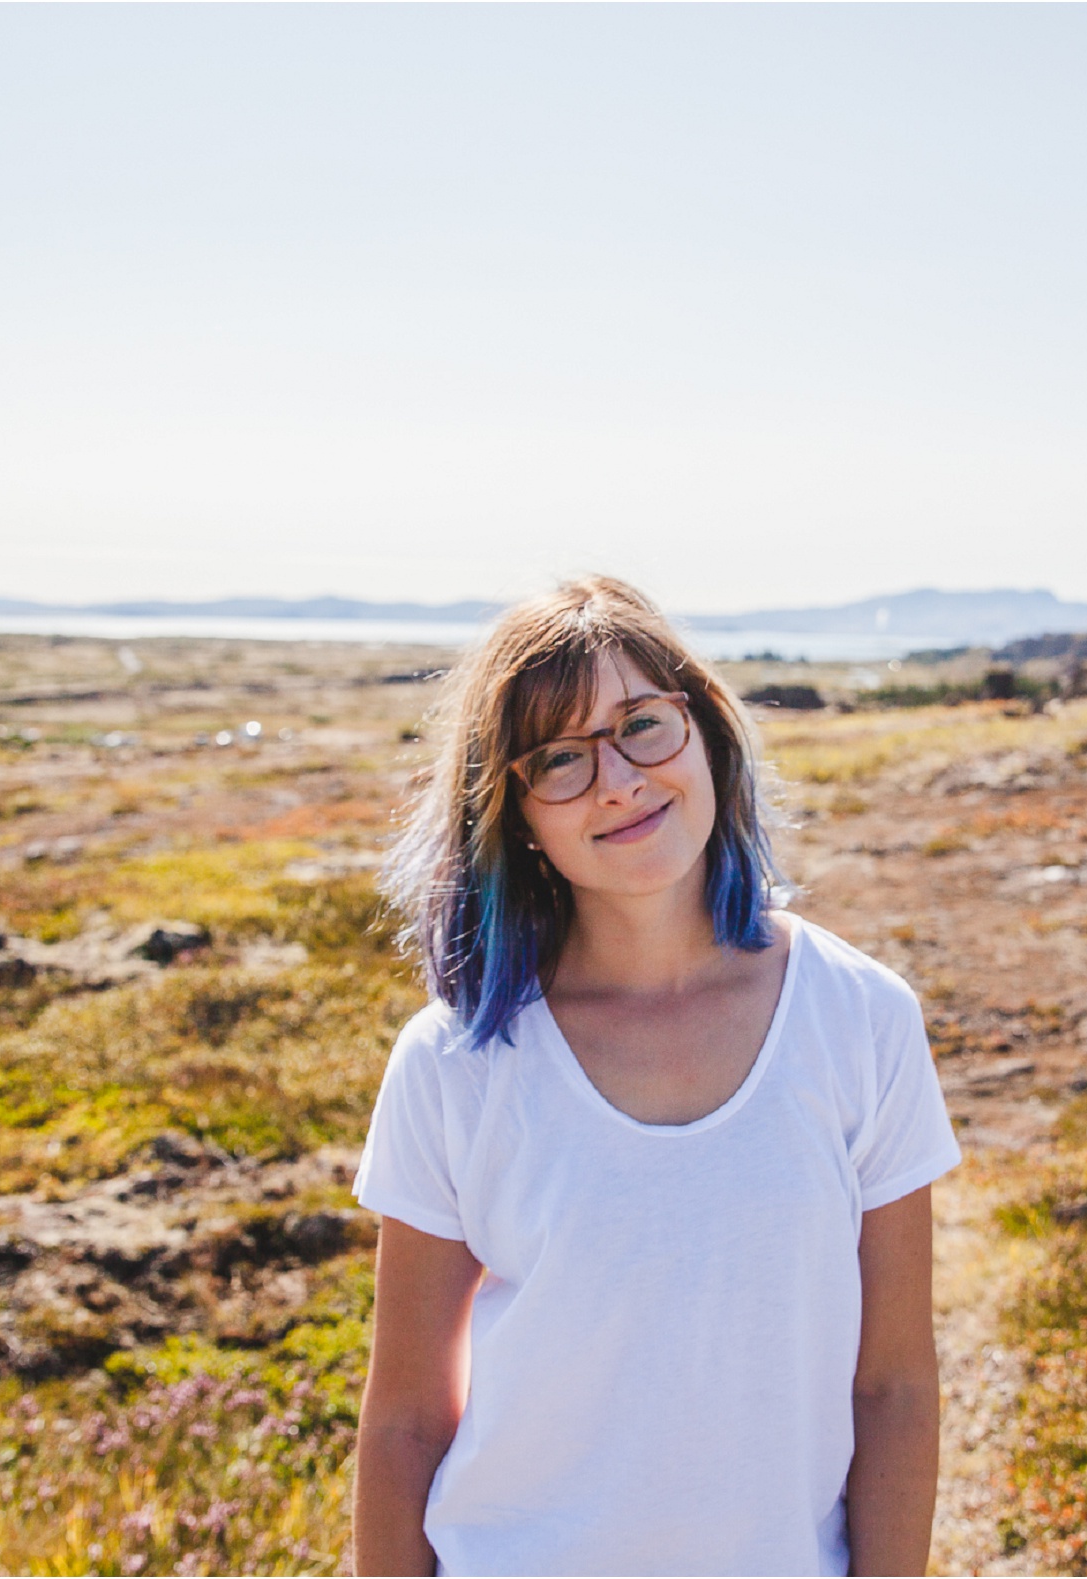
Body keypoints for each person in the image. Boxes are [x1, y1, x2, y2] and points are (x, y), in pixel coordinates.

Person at [351, 576, 961, 1578]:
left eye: (642, 724)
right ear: (514, 812)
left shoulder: (860, 1019)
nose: (618, 779)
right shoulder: (456, 1062)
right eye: (559, 757)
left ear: (706, 729)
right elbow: (408, 1419)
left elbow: (893, 1386)